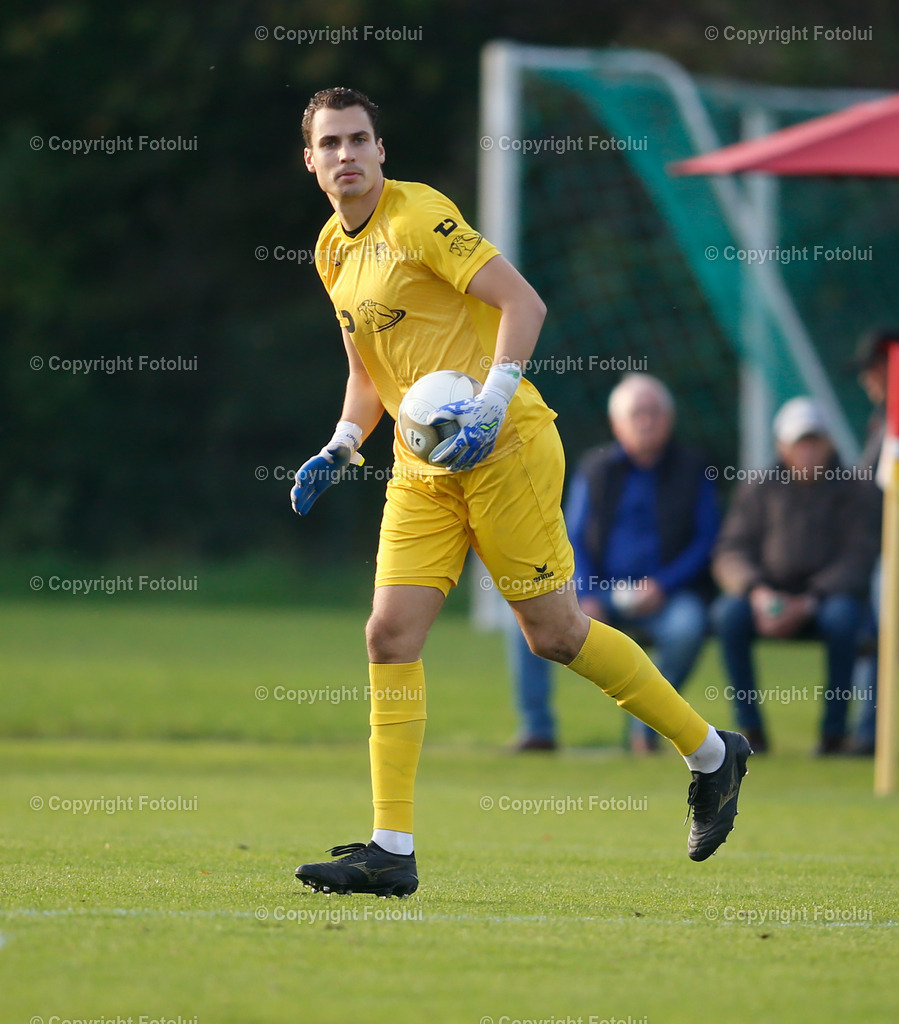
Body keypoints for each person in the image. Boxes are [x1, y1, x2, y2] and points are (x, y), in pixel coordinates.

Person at [290, 86, 751, 897]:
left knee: (556, 635)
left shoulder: (418, 215)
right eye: (330, 144)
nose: (347, 155)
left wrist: (491, 402)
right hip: (422, 469)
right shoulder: (331, 248)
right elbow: (368, 371)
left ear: (381, 150)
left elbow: (522, 302)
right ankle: (390, 851)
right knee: (387, 635)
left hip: (505, 448)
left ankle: (712, 753)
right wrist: (339, 443)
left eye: (360, 139)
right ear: (311, 161)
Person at [508, 374, 720, 754]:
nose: (647, 420)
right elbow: (569, 536)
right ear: (617, 424)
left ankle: (646, 727)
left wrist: (663, 586)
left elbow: (706, 542)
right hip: (599, 594)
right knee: (525, 620)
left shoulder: (694, 468)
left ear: (669, 420)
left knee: (688, 627)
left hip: (667, 595)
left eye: (655, 412)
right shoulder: (595, 468)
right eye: (637, 413)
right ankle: (537, 729)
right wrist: (586, 592)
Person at [711, 397, 879, 755]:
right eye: (799, 442)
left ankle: (833, 734)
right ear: (782, 447)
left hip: (827, 599)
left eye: (814, 441)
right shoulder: (758, 489)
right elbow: (730, 551)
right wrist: (757, 591)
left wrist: (809, 600)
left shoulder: (853, 491)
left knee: (843, 617)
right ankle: (750, 731)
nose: (807, 451)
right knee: (728, 615)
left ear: (828, 444)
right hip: (767, 598)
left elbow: (859, 558)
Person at [848, 328, 895, 754]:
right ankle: (868, 732)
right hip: (879, 551)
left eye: (873, 369)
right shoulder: (881, 421)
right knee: (872, 634)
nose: (867, 380)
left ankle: (870, 732)